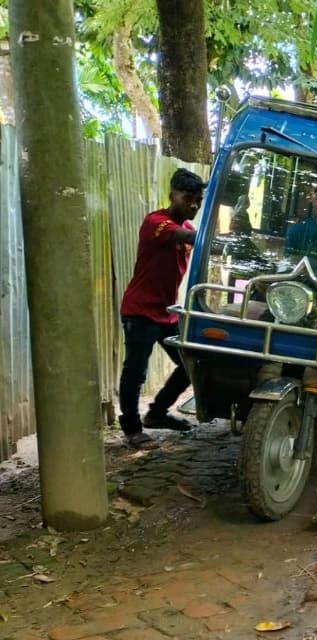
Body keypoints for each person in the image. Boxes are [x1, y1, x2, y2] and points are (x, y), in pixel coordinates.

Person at [117, 168, 206, 449]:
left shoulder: (190, 230)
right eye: (188, 198)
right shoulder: (156, 222)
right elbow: (186, 237)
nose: (193, 205)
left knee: (190, 364)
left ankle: (156, 413)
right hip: (140, 311)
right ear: (173, 195)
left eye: (198, 200)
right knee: (135, 371)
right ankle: (132, 429)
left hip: (167, 312)